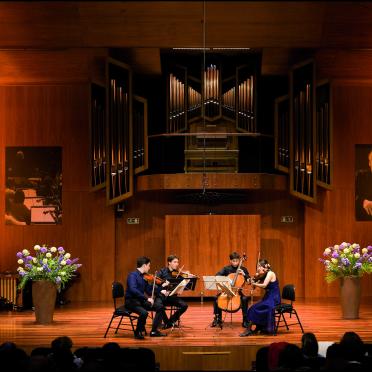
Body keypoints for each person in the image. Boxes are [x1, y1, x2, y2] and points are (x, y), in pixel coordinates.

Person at [125, 256, 168, 339]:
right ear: (144, 265)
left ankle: (154, 331)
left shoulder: (143, 277)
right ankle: (138, 332)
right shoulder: (132, 275)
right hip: (131, 301)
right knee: (144, 313)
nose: (149, 268)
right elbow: (133, 289)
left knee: (160, 307)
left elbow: (148, 290)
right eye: (149, 265)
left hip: (140, 301)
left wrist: (161, 290)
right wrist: (146, 298)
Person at [240, 259, 280, 336]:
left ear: (264, 267)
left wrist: (255, 282)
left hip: (273, 298)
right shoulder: (264, 275)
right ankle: (258, 327)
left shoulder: (270, 274)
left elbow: (264, 285)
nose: (258, 268)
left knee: (255, 308)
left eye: (259, 266)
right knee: (253, 308)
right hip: (268, 297)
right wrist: (250, 280)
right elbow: (253, 285)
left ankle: (249, 329)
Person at [211, 251, 250, 328]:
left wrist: (244, 274)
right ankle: (217, 318)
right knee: (215, 298)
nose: (235, 263)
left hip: (237, 292)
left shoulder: (243, 269)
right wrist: (226, 279)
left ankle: (245, 320)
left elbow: (249, 280)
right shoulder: (226, 269)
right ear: (230, 261)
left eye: (237, 261)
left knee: (245, 299)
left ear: (239, 260)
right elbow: (217, 275)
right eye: (233, 261)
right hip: (227, 291)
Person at [157, 255, 189, 329]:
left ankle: (171, 321)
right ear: (169, 262)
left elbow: (182, 285)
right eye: (175, 262)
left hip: (172, 296)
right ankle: (167, 322)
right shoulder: (162, 272)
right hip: (162, 296)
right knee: (159, 306)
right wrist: (162, 289)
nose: (177, 264)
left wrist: (181, 288)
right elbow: (155, 284)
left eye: (177, 262)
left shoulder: (177, 273)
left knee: (184, 305)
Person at [355, 149, 372, 220]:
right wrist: (363, 201)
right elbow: (355, 197)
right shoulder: (360, 176)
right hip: (364, 219)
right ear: (369, 163)